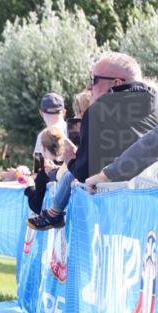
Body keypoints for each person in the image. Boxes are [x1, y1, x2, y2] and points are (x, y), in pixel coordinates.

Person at [29, 53, 158, 229]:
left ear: (117, 83)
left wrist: (71, 160)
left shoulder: (98, 111)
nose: (89, 86)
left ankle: (53, 215)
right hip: (146, 212)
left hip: (113, 216)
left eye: (94, 79)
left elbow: (84, 174)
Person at [33, 92, 67, 158]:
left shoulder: (42, 137)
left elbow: (38, 166)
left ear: (41, 113)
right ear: (64, 112)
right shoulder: (76, 130)